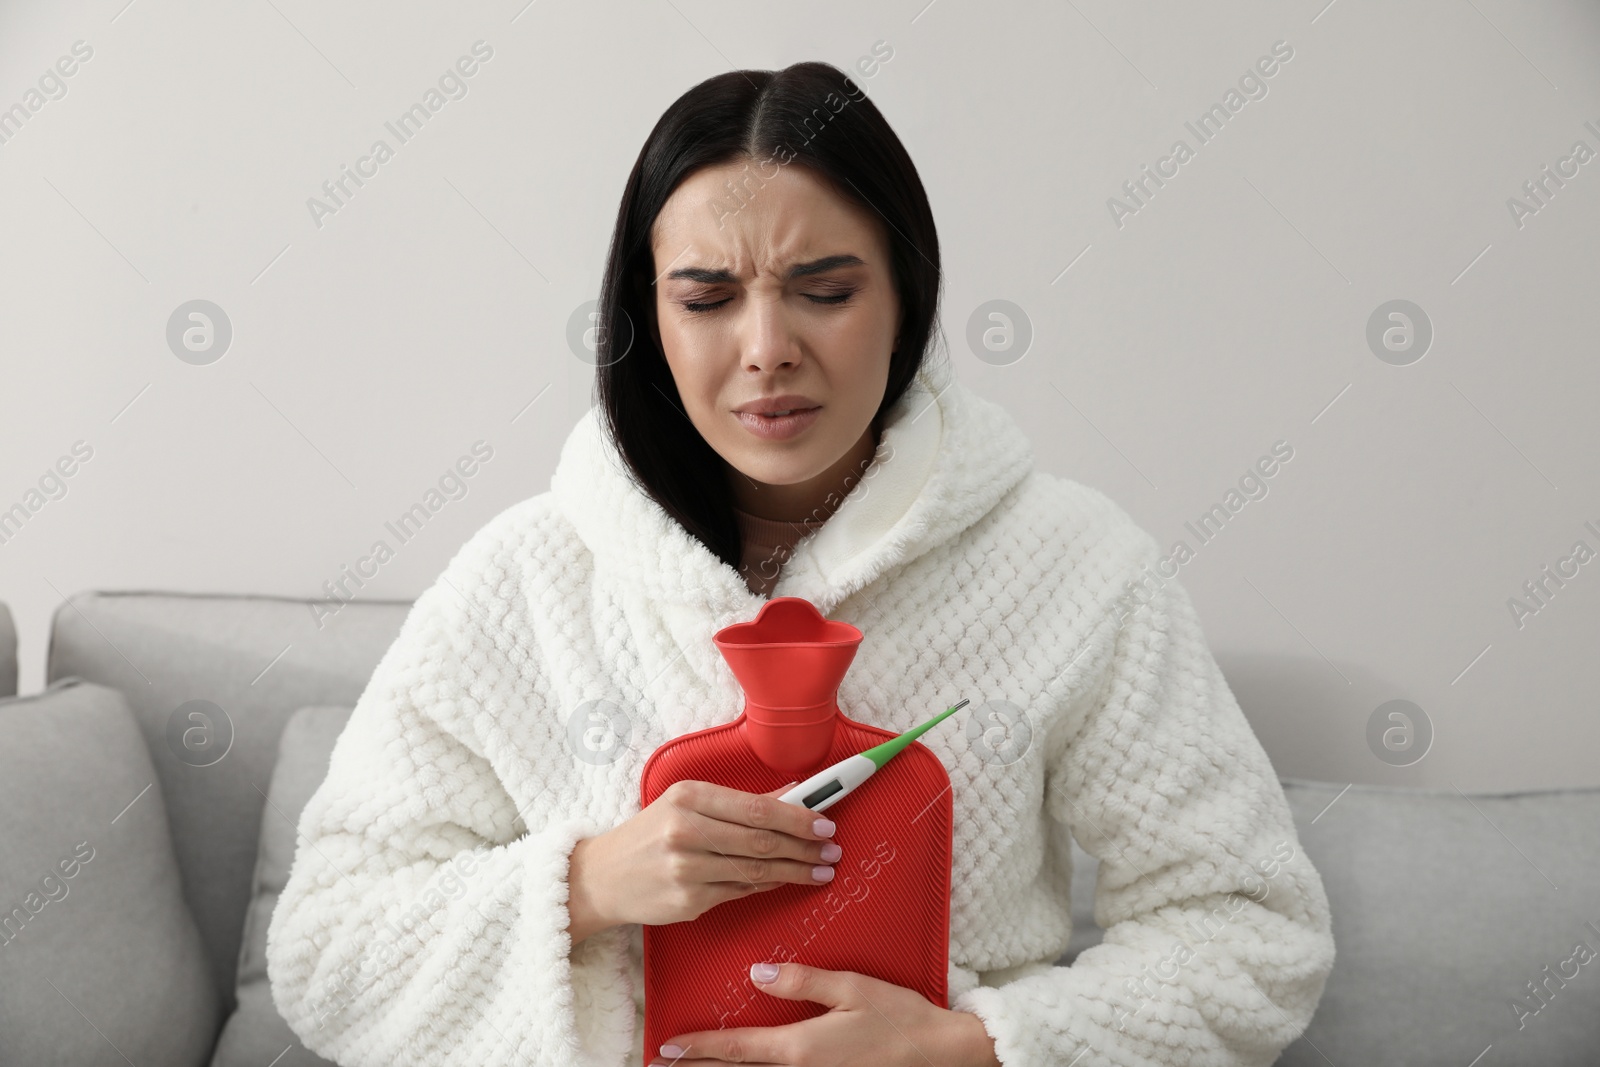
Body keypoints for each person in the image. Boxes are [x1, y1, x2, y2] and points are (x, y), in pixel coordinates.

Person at [266, 60, 1334, 1067]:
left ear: (906, 298)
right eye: (706, 297)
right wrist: (586, 882)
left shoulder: (1077, 568)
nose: (767, 345)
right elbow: (326, 951)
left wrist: (973, 1044)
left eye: (824, 289)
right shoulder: (523, 580)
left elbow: (1252, 934)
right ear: (648, 319)